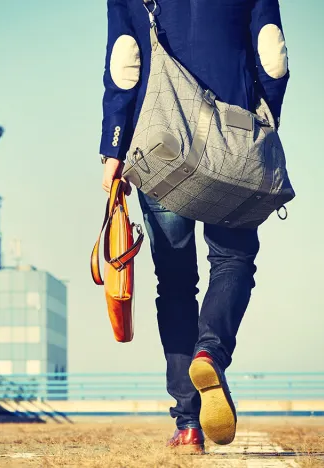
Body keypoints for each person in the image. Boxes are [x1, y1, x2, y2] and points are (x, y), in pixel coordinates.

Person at [99, 0, 290, 452]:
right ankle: (211, 352)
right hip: (236, 138)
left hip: (161, 144)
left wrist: (112, 145)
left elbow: (124, 61)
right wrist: (267, 115)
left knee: (176, 283)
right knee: (233, 260)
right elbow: (272, 53)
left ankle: (188, 422)